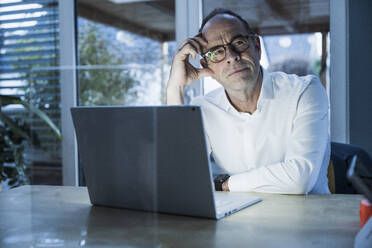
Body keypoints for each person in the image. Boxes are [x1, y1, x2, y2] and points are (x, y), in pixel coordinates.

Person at [166, 8, 330, 194]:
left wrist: (224, 184)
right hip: (237, 219)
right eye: (216, 52)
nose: (231, 57)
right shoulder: (204, 108)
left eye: (239, 42)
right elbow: (181, 173)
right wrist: (175, 87)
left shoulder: (304, 91)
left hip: (310, 219)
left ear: (257, 47)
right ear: (206, 65)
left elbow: (300, 179)